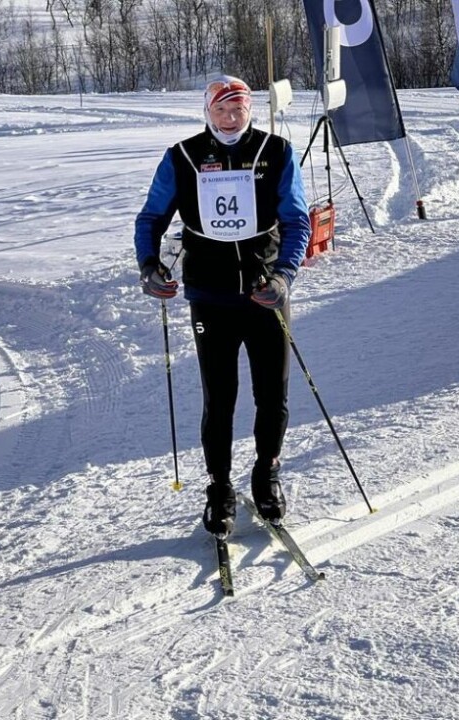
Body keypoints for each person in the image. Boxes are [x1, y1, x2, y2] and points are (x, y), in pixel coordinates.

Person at [134, 75, 311, 538]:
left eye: (239, 110)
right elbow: (152, 217)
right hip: (209, 296)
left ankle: (266, 473)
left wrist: (283, 276)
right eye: (222, 110)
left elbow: (296, 220)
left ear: (250, 110)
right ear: (207, 112)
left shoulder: (276, 152)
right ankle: (219, 486)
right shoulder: (184, 156)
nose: (232, 118)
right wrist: (150, 265)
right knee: (220, 397)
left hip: (264, 292)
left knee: (273, 393)